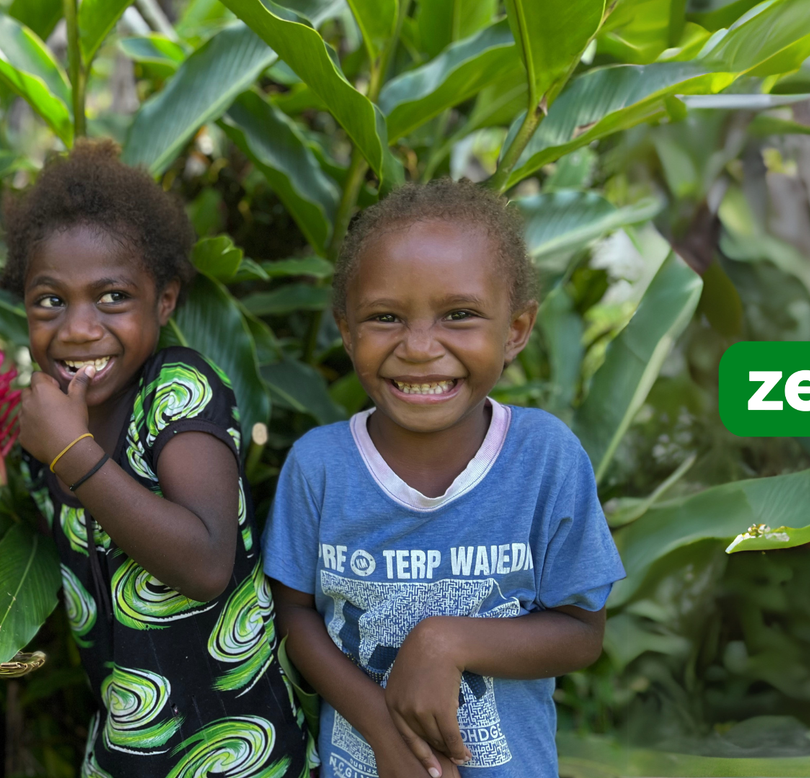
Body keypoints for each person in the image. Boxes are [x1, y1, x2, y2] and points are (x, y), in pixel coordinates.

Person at [262, 178, 625, 778]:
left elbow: (581, 632)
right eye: (385, 317)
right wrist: (381, 728)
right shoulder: (319, 466)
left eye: (459, 315)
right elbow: (294, 615)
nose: (420, 347)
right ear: (347, 330)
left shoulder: (545, 459)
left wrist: (445, 641)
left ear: (516, 329)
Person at [0, 138, 307, 776]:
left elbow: (207, 562)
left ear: (167, 301)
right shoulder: (46, 431)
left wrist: (74, 454)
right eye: (50, 301)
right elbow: (58, 577)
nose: (76, 328)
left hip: (238, 756)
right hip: (125, 754)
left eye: (112, 298)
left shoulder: (177, 394)